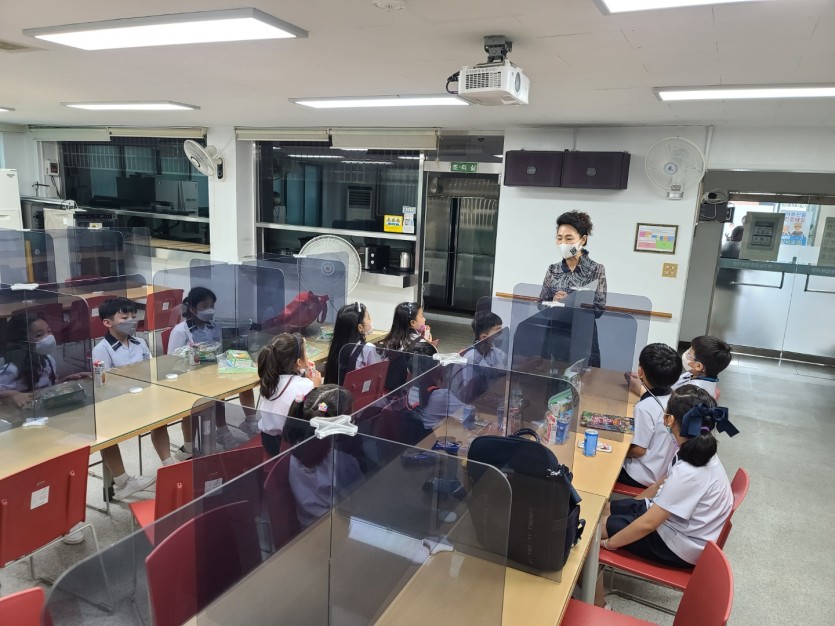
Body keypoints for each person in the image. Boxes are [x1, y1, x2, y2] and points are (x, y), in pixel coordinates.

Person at [596, 385, 739, 607]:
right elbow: (661, 485)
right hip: (674, 523)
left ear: (669, 419)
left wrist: (608, 544)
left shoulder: (690, 472)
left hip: (677, 544)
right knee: (602, 508)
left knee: (592, 532)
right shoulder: (698, 450)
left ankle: (598, 604)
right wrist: (630, 507)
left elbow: (649, 523)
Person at [168, 286, 258, 449]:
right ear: (193, 309)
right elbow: (171, 361)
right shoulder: (180, 331)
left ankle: (240, 425)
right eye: (204, 306)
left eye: (212, 306)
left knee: (244, 381)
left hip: (214, 373)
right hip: (191, 378)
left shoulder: (214, 326)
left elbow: (219, 350)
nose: (209, 310)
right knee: (211, 396)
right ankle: (214, 434)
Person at [90, 298, 161, 500]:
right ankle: (122, 482)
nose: (131, 320)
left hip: (141, 397)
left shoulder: (140, 342)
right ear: (107, 323)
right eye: (124, 317)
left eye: (133, 316)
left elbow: (150, 368)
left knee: (162, 416)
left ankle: (169, 464)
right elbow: (103, 383)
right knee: (107, 433)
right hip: (117, 403)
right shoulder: (102, 349)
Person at [282, 385, 363, 528]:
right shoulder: (342, 461)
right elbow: (358, 497)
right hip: (338, 527)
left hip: (306, 526)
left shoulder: (293, 453)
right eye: (351, 419)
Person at [539, 211, 607, 368]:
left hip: (583, 335)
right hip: (556, 334)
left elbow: (599, 309)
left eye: (569, 239)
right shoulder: (553, 269)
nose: (563, 243)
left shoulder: (596, 269)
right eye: (559, 238)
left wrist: (574, 301)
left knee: (582, 377)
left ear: (583, 239)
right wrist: (554, 301)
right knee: (553, 376)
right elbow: (541, 305)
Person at [619, 343, 682, 488]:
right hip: (664, 470)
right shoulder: (675, 398)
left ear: (640, 372)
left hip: (642, 475)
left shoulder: (645, 407)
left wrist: (616, 450)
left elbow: (639, 450)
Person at [257, 332, 323, 457]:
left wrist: (302, 374)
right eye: (306, 352)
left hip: (268, 442)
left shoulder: (270, 380)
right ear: (298, 362)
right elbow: (318, 413)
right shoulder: (306, 386)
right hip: (292, 447)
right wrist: (316, 388)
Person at [376, 302, 439, 392]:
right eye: (422, 316)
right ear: (413, 323)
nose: (424, 319)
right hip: (409, 393)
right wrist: (428, 345)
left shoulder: (387, 342)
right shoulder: (421, 344)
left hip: (386, 390)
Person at [323, 302, 380, 385]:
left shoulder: (336, 347)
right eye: (368, 317)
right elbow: (376, 376)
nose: (371, 320)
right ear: (360, 327)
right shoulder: (368, 348)